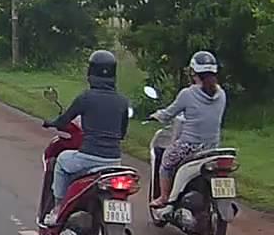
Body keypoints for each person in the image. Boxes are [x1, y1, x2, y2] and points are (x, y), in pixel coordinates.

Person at [42, 50, 131, 225]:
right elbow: (122, 133)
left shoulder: (85, 98)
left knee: (61, 161)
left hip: (89, 157)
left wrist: (51, 123)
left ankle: (58, 207)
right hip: (114, 161)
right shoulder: (122, 101)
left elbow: (64, 120)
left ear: (91, 72)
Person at [148, 51, 227, 207]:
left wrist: (156, 115)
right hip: (212, 147)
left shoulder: (187, 94)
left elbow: (168, 114)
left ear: (193, 72)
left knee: (166, 161)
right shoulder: (221, 94)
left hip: (190, 146)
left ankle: (164, 197)